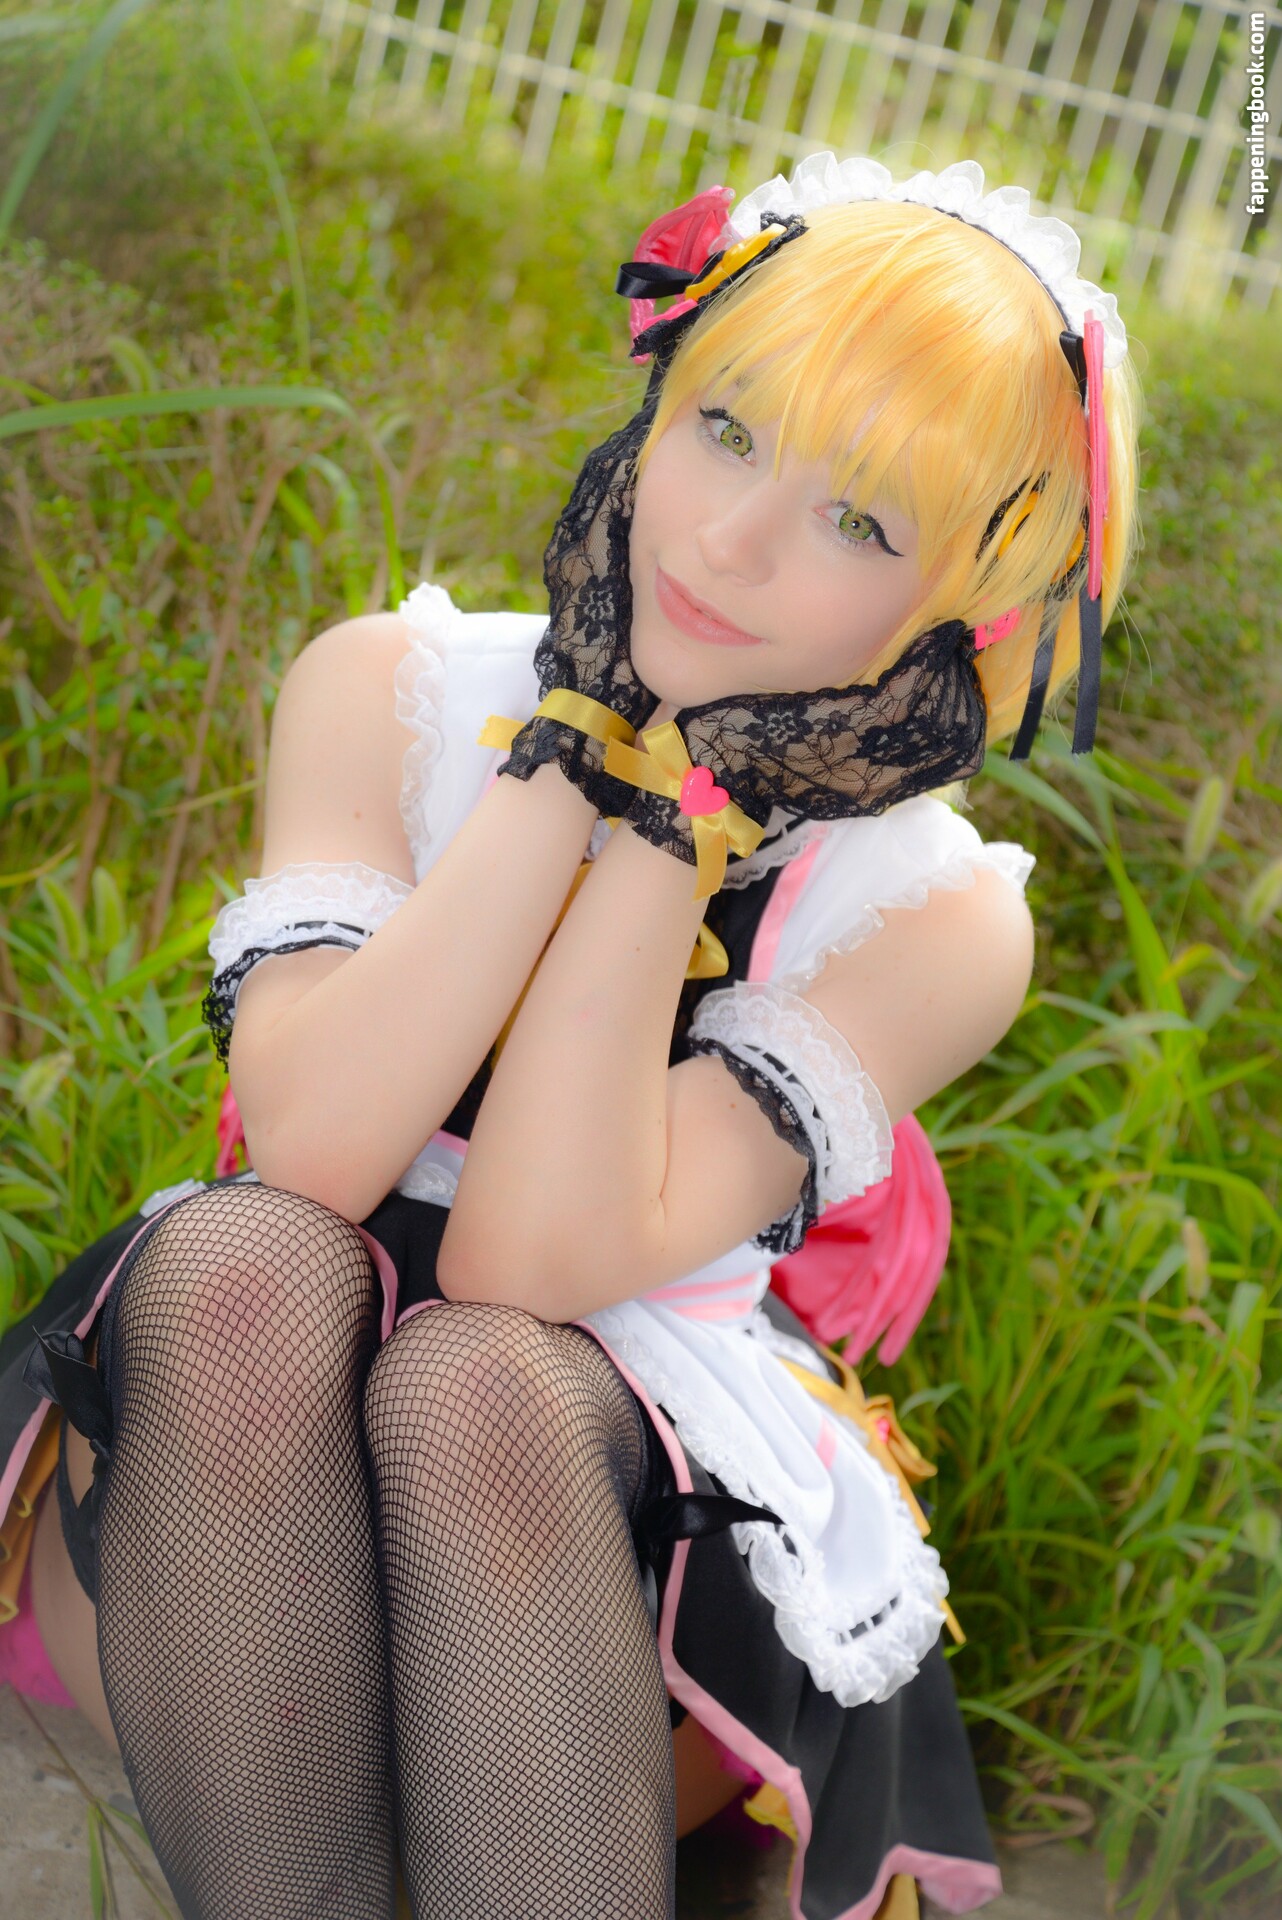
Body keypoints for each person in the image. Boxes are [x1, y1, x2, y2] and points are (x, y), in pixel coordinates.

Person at [0, 152, 1140, 1920]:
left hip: (596, 1515)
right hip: (236, 1465)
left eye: (860, 524)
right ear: (652, 403)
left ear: (967, 615)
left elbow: (526, 1260)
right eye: (725, 432)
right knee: (238, 1261)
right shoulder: (392, 687)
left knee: (474, 1381)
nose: (729, 543)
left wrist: (680, 819)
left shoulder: (929, 911)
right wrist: (571, 734)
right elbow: (313, 1153)